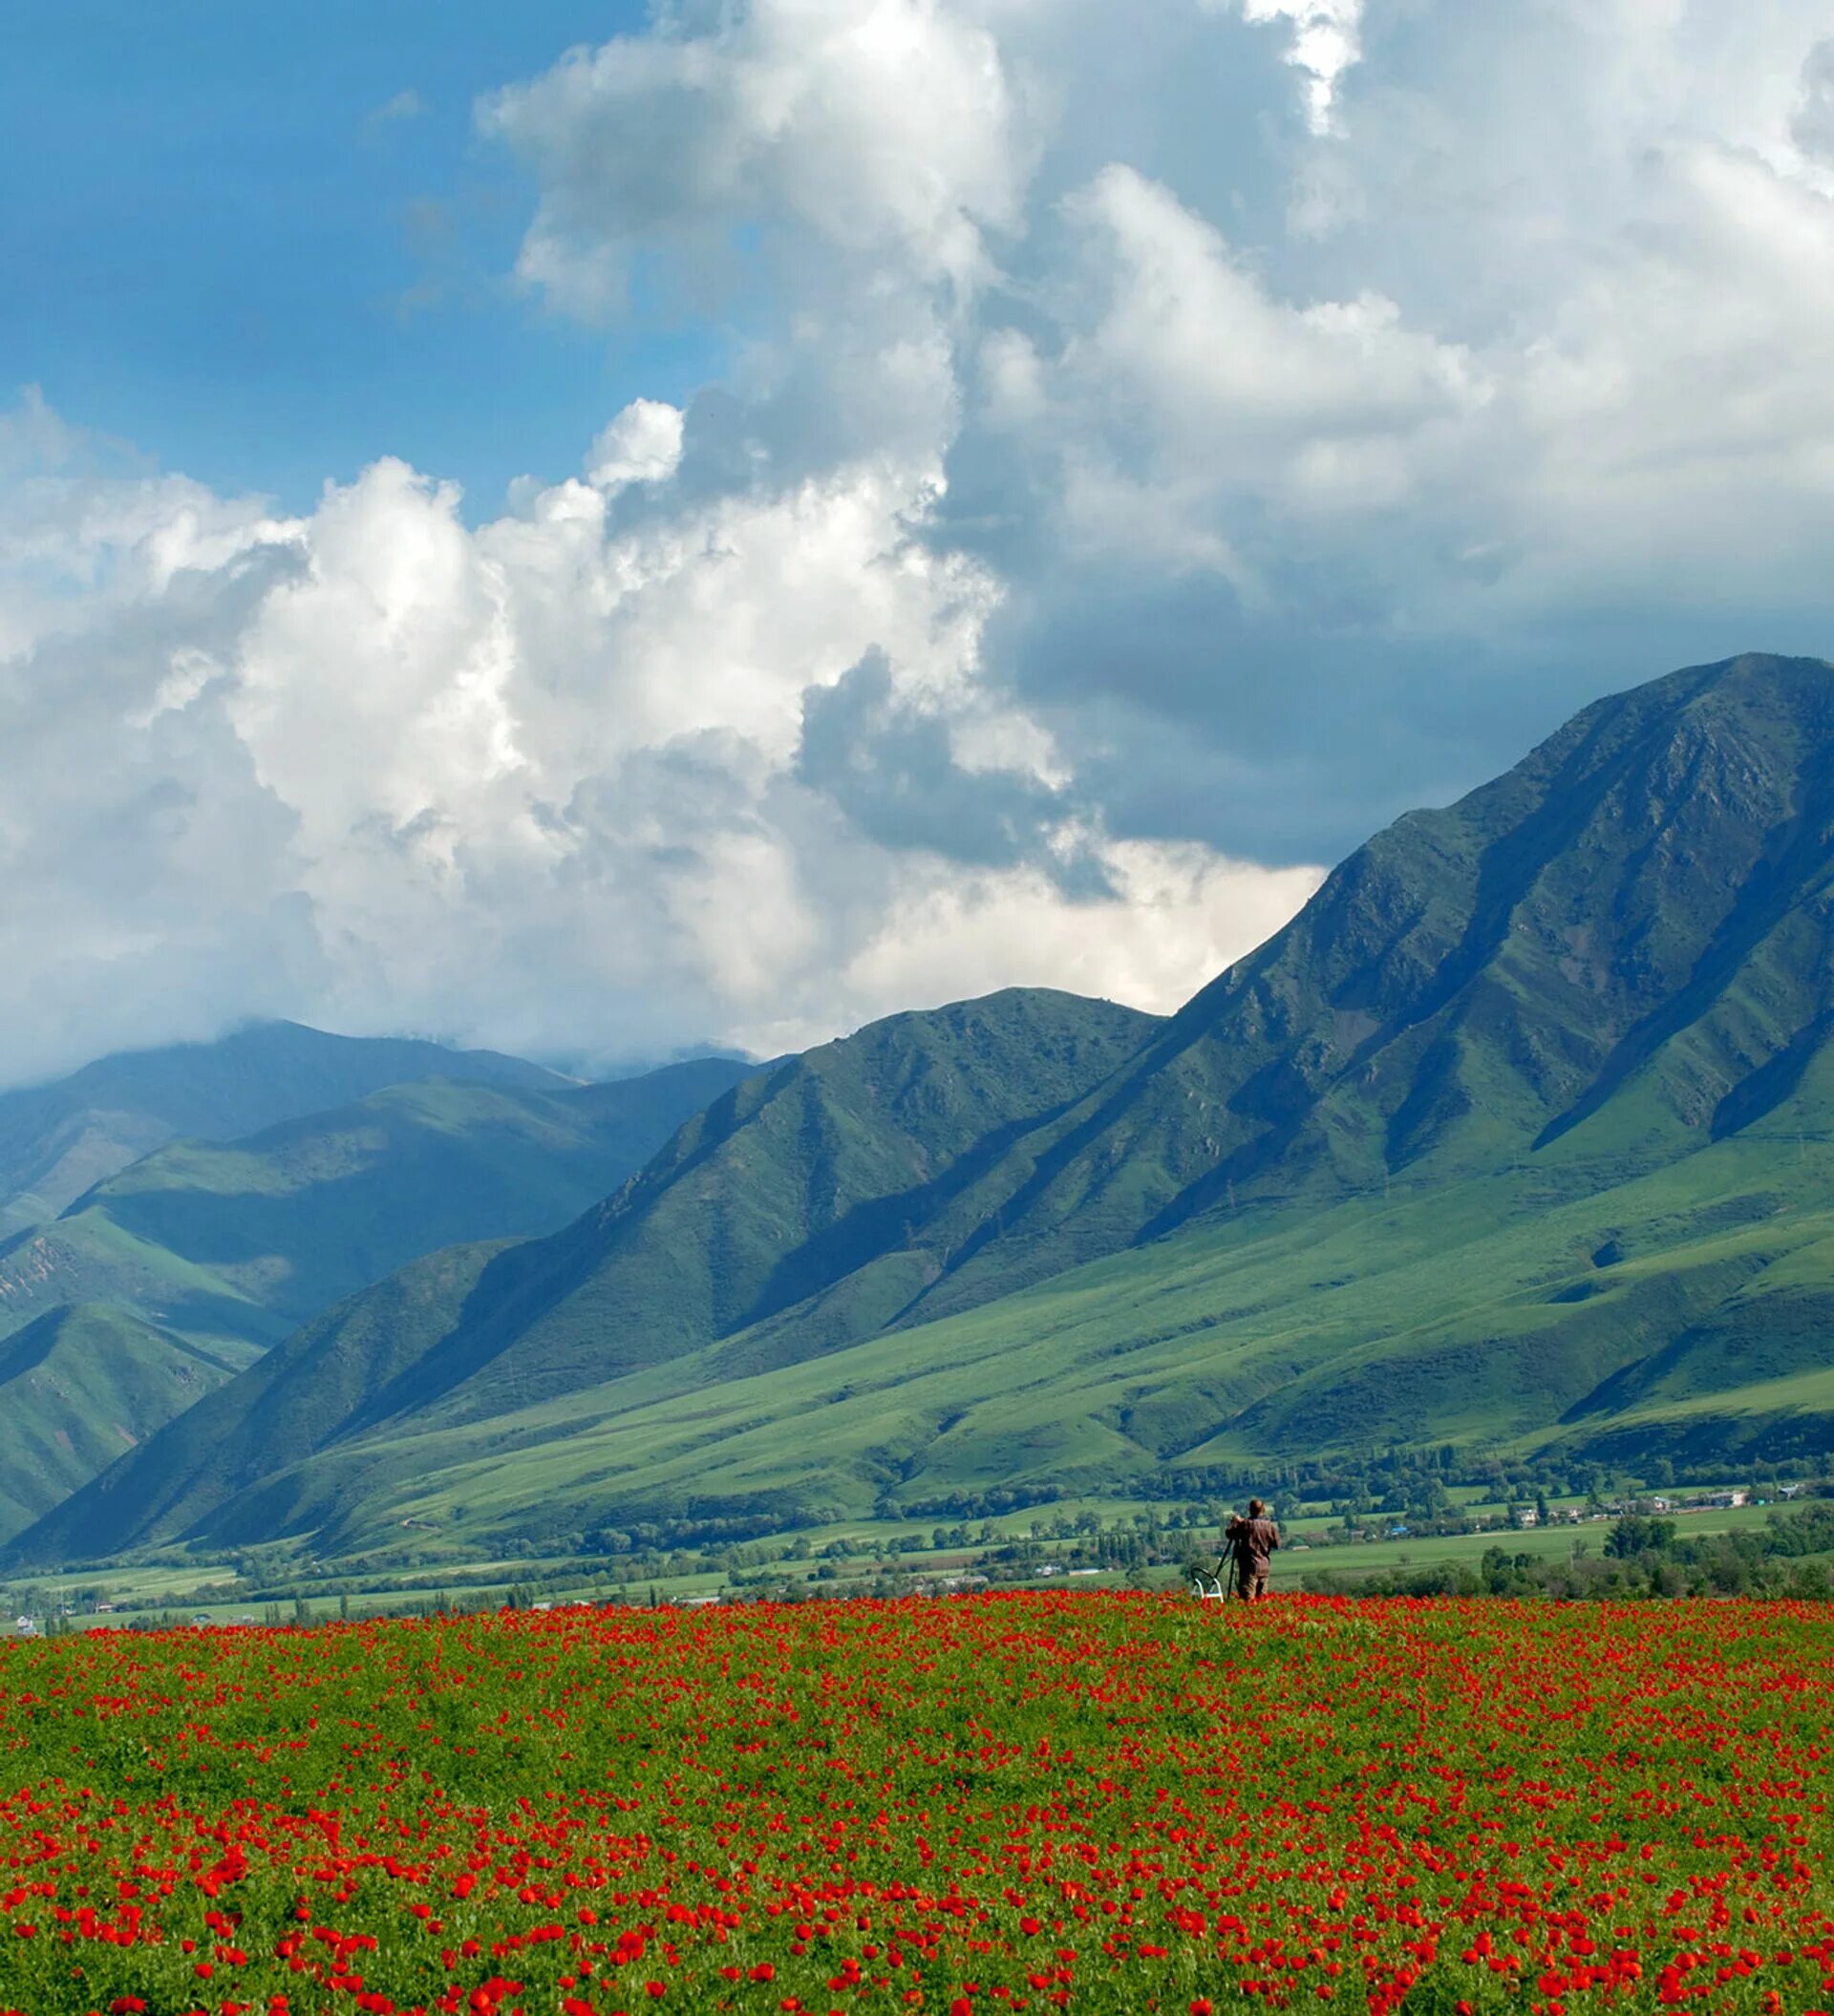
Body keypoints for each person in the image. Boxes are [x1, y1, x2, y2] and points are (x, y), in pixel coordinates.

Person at [1225, 1497, 1280, 1601]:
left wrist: (1235, 1522)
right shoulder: (1270, 1526)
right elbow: (1277, 1544)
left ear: (1250, 1510)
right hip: (1264, 1567)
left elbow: (1229, 1533)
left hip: (1249, 1567)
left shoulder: (1245, 1525)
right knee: (1262, 1601)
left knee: (1248, 1601)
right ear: (1263, 1510)